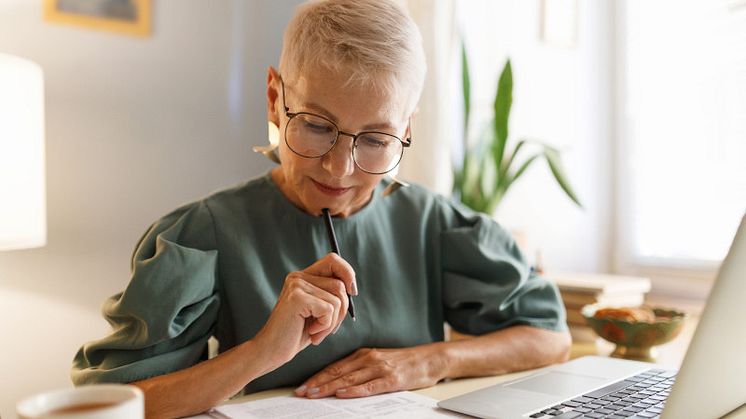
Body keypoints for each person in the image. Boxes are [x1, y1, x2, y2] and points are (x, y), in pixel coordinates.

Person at [72, 0, 571, 417]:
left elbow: (550, 337)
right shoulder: (202, 235)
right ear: (274, 99)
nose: (338, 169)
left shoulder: (435, 225)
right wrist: (263, 351)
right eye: (315, 124)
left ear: (406, 130)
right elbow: (108, 404)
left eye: (376, 139)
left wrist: (426, 361)